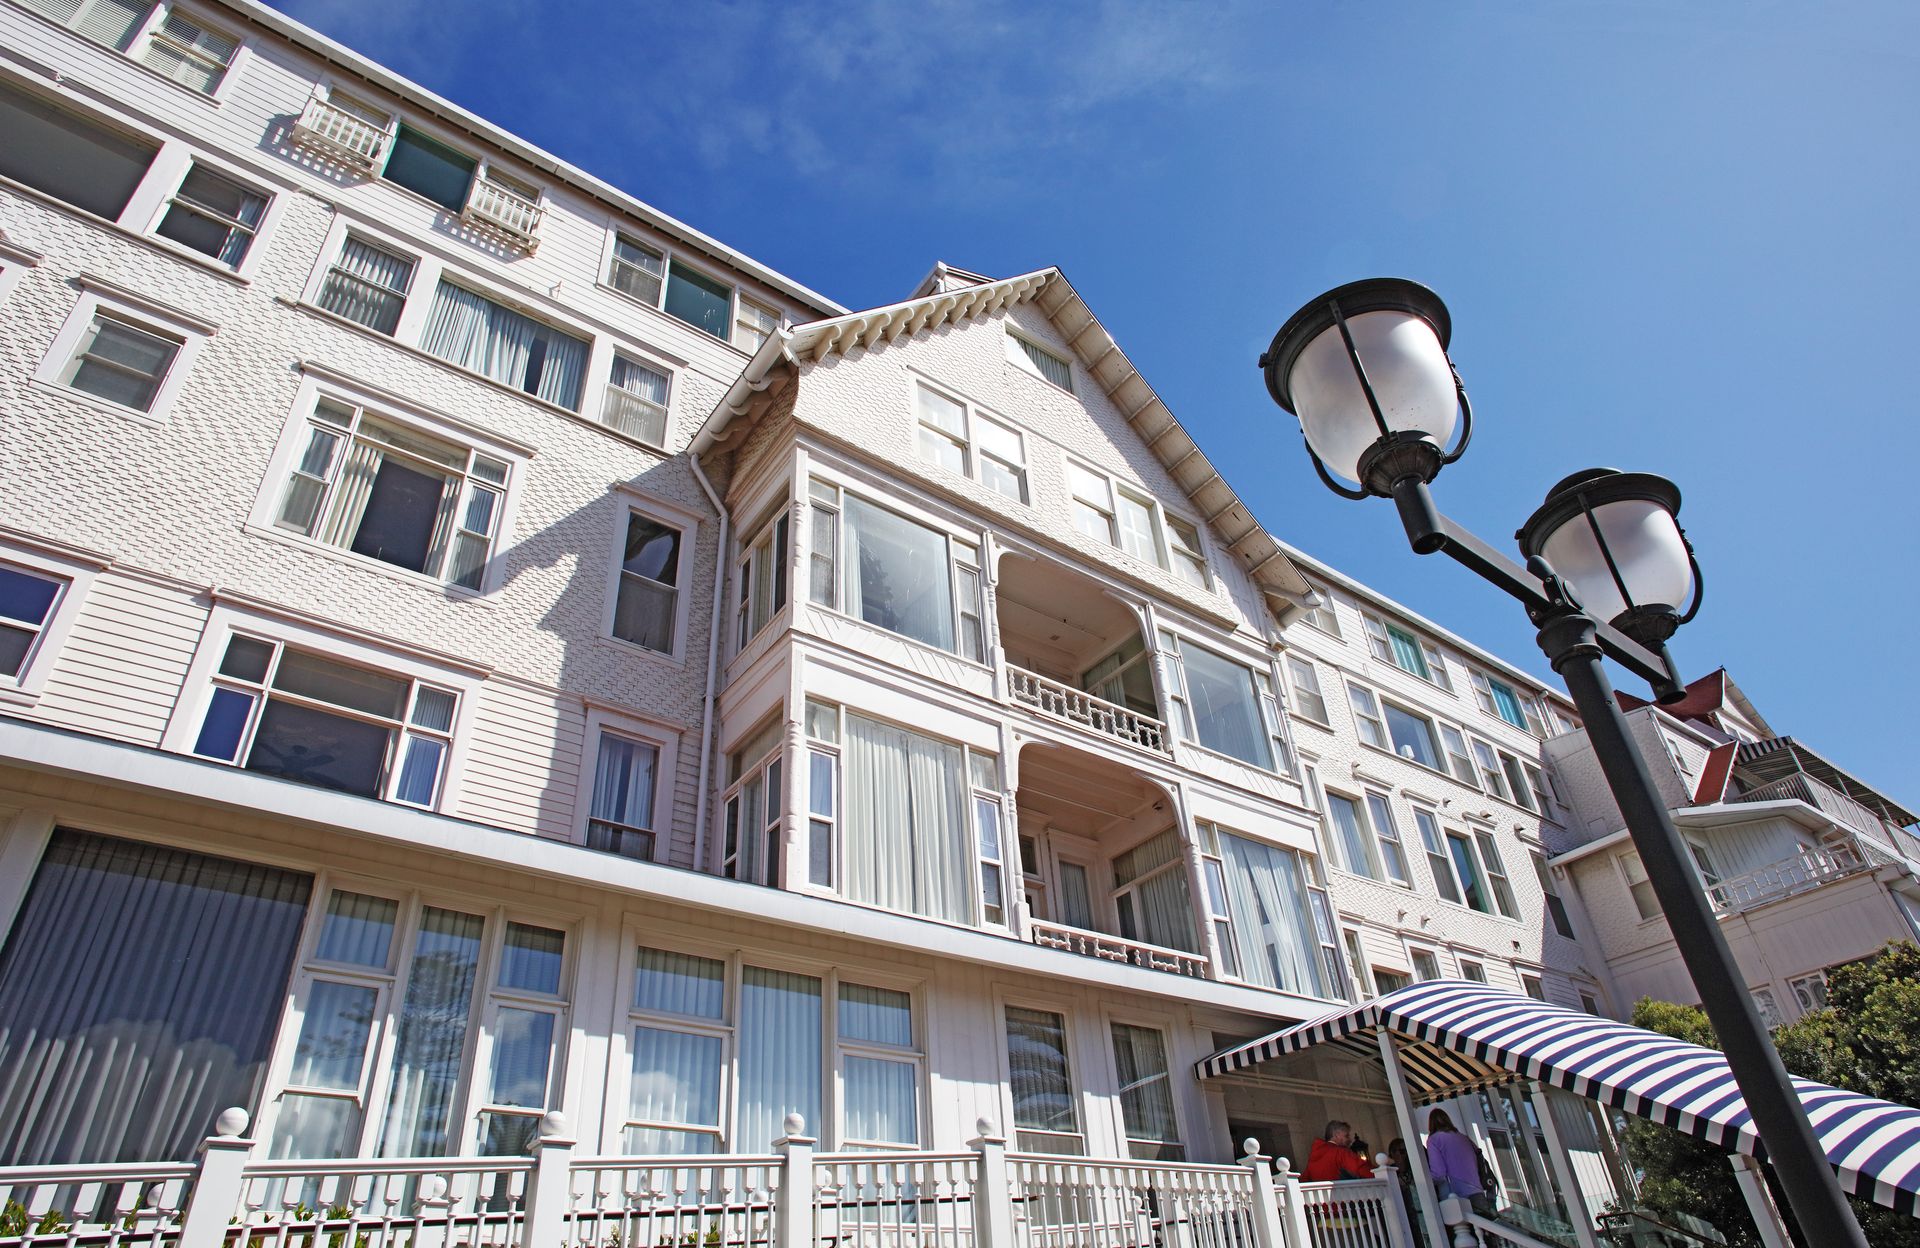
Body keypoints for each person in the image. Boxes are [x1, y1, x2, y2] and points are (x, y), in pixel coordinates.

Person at [1425, 1108, 1497, 1218]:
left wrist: (1422, 1181)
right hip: (1477, 1191)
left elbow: (1438, 1173)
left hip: (1455, 1197)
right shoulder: (1464, 1138)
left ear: (1431, 1124)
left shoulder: (1434, 1140)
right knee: (1486, 1229)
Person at [1303, 1120, 1376, 1182]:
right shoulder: (1340, 1152)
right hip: (1345, 1197)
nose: (1350, 1140)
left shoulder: (1313, 1156)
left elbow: (1304, 1179)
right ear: (1336, 1135)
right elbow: (1362, 1168)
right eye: (1346, 1136)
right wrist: (1381, 1173)